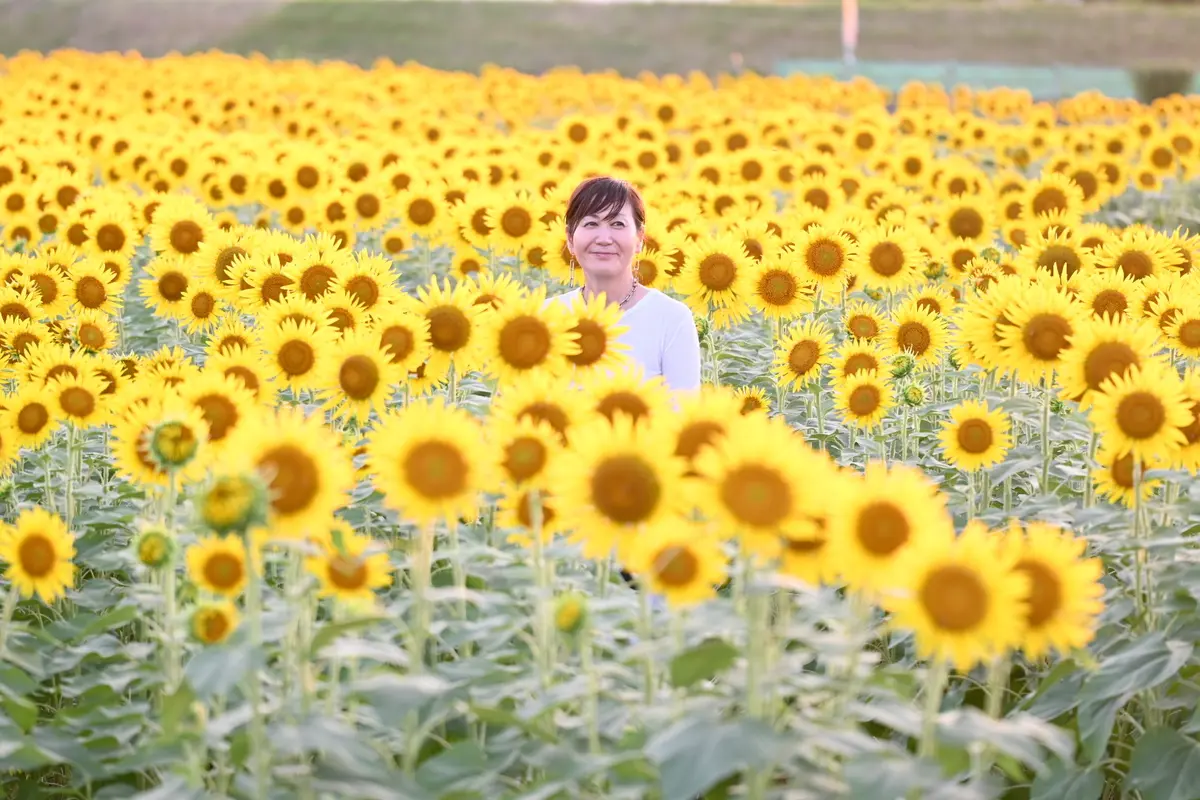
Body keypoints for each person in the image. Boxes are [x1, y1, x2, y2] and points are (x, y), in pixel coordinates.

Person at [548, 175, 701, 392]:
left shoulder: (671, 319)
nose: (604, 238)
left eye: (617, 224)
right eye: (591, 223)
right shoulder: (546, 319)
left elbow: (684, 410)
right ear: (570, 239)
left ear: (639, 239)